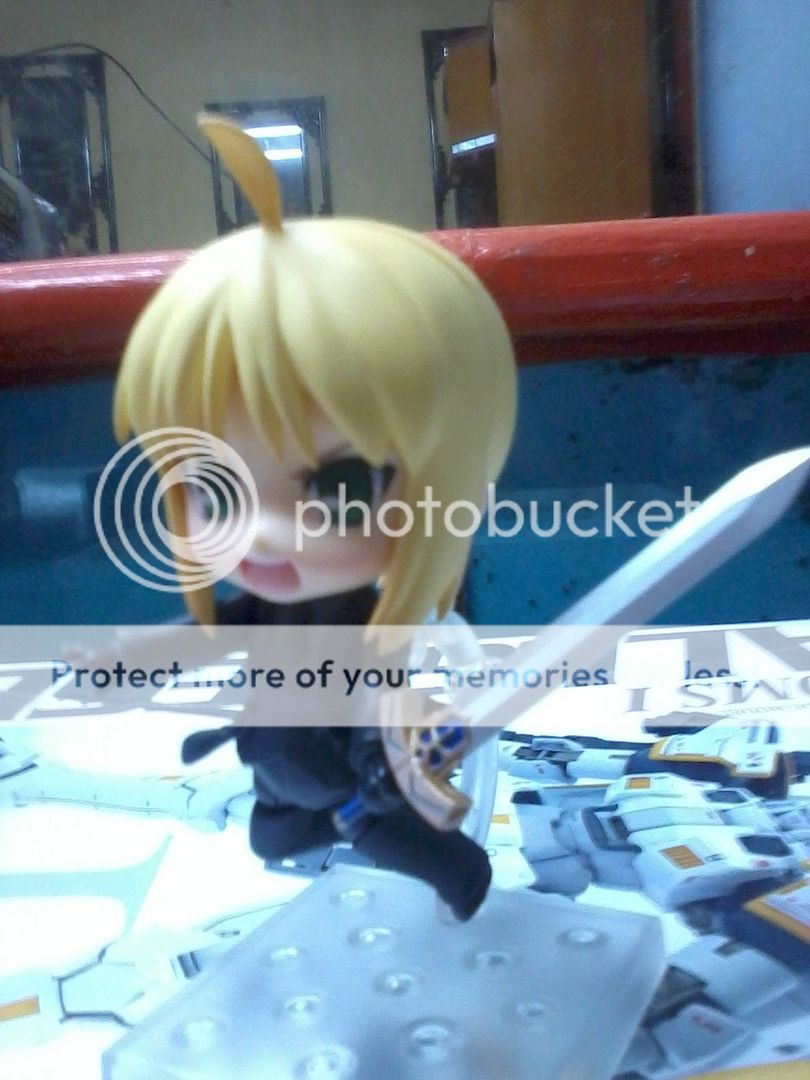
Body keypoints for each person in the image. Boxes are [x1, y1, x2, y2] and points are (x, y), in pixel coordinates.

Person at [113, 115, 516, 919]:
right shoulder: (267, 603)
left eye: (340, 486)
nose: (260, 530)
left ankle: (461, 880)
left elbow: (383, 695)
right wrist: (141, 656)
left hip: (343, 782)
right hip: (277, 776)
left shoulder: (374, 627)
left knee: (389, 838)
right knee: (273, 842)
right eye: (212, 484)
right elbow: (222, 629)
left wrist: (383, 757)